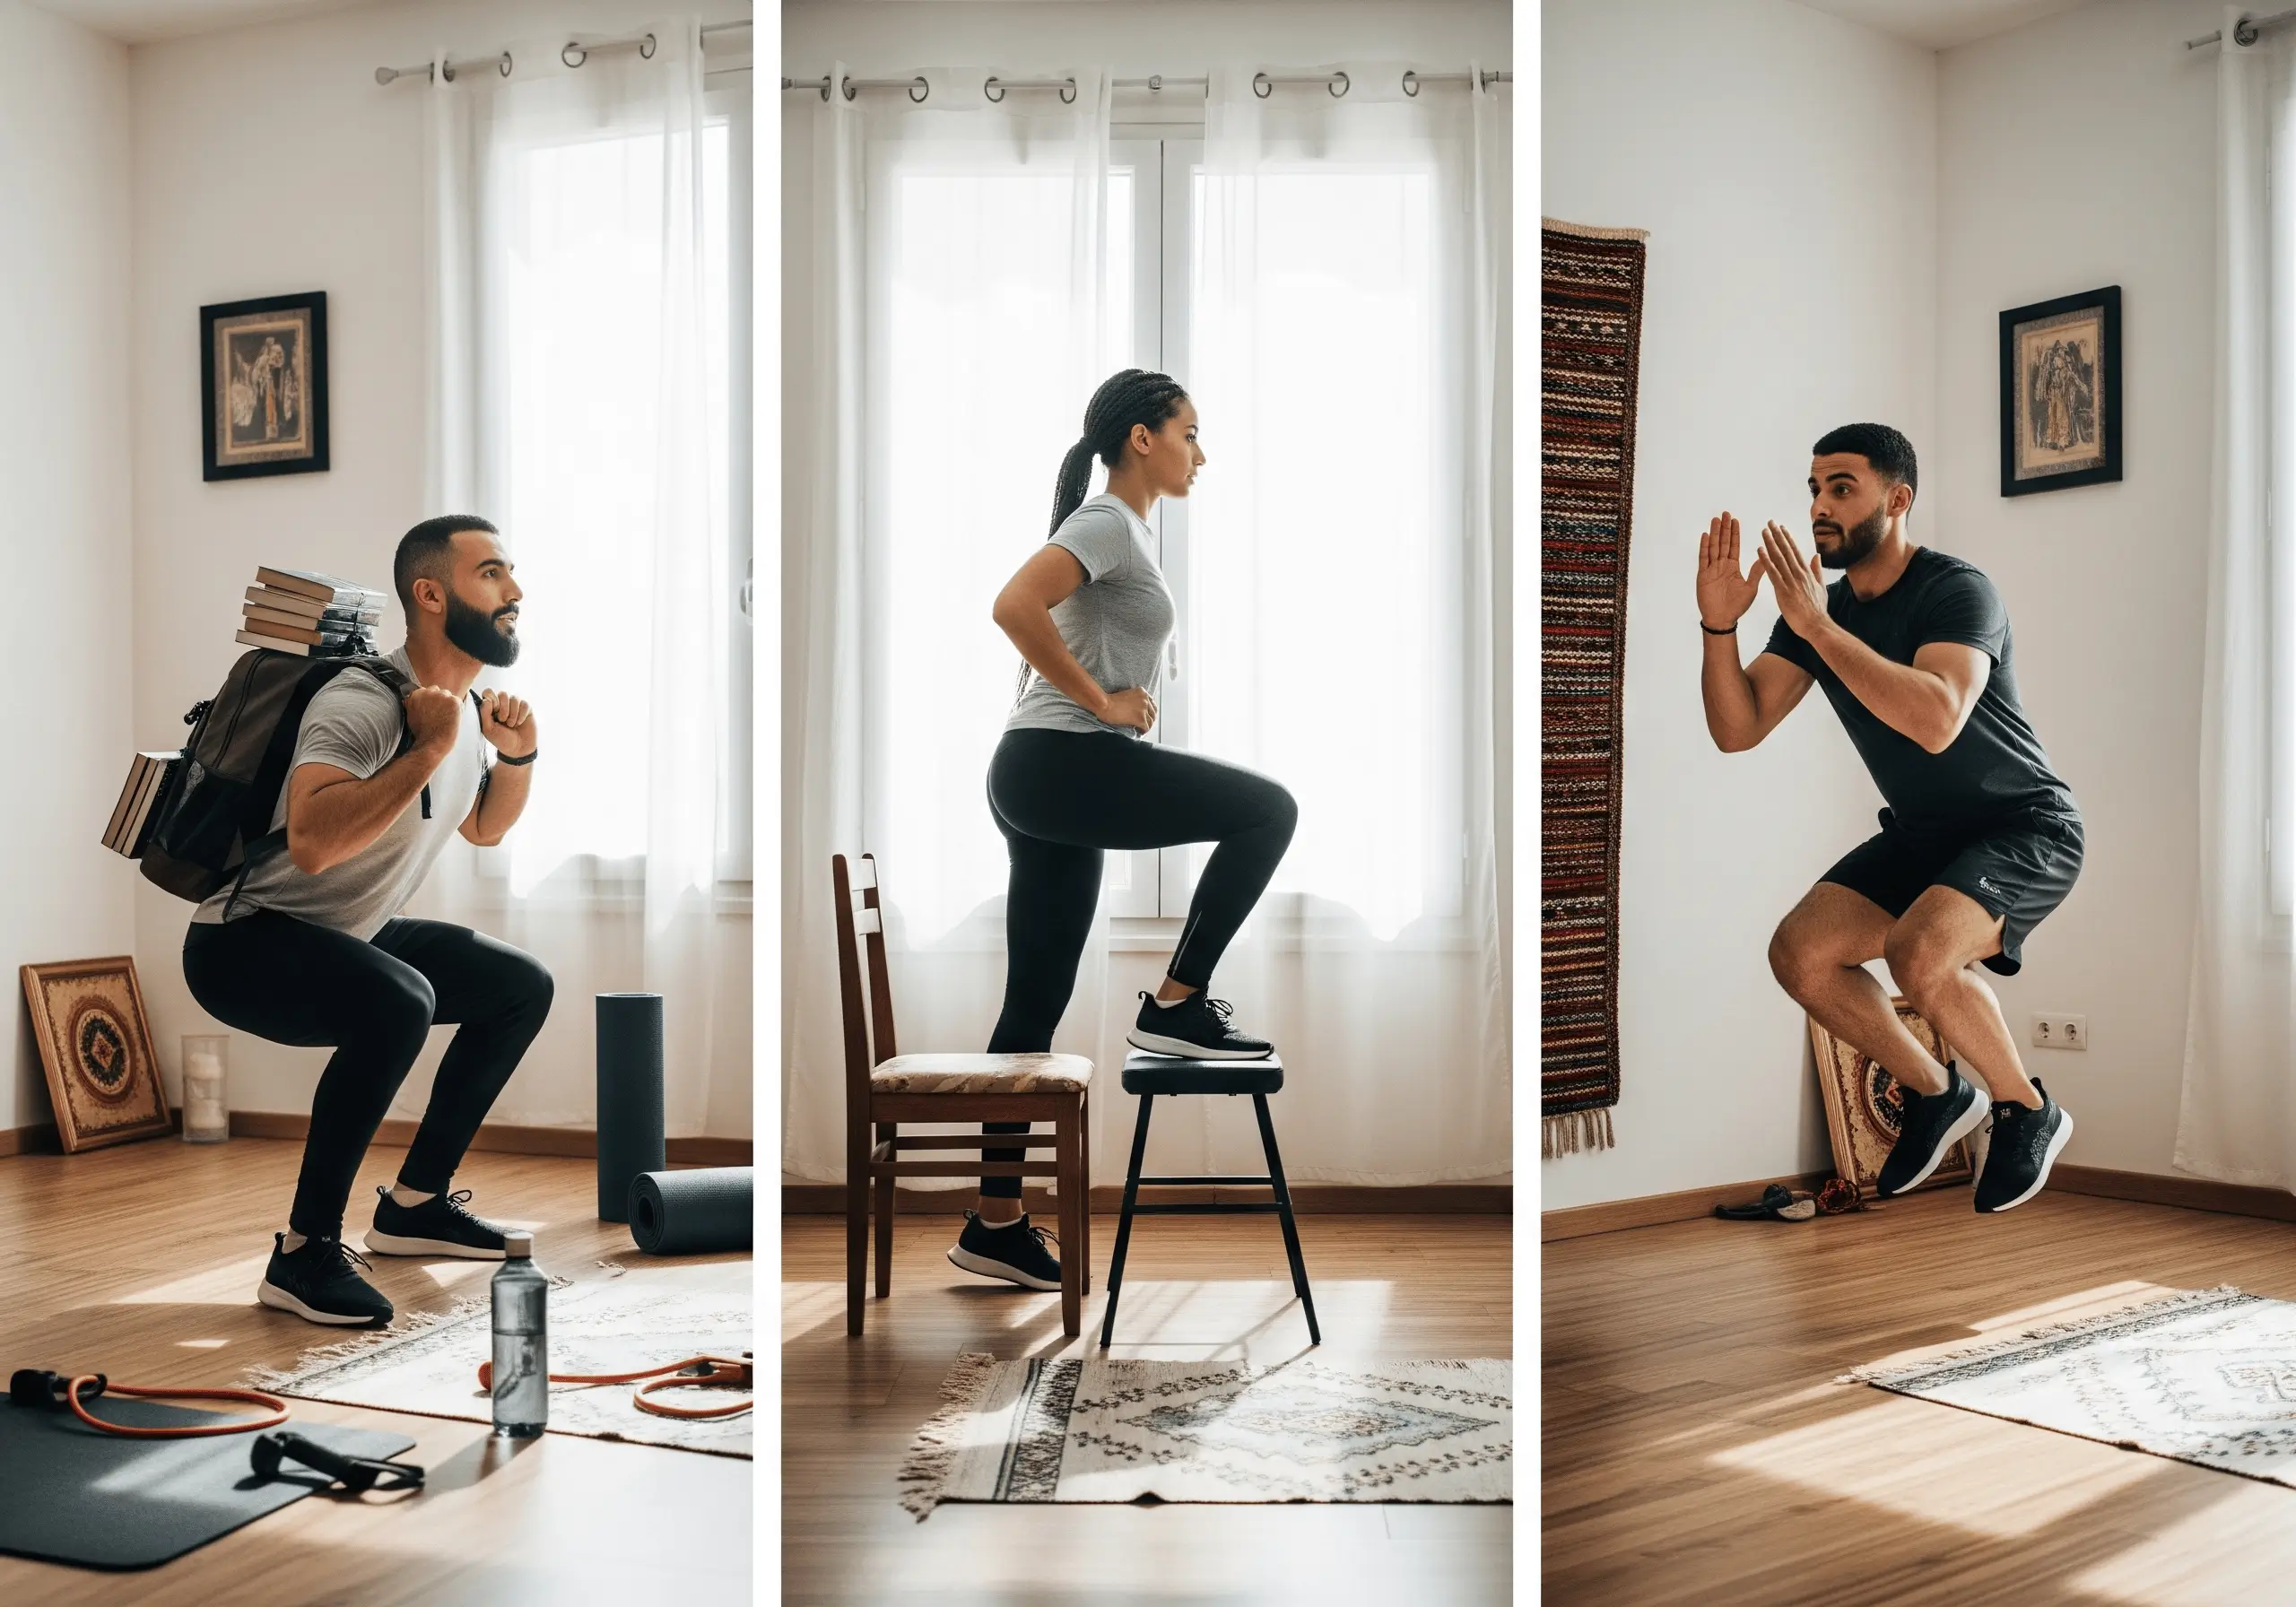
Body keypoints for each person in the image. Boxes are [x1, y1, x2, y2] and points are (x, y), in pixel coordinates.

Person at [947, 369, 1300, 1292]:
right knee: (1268, 810)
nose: (1200, 452)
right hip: (1062, 764)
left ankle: (994, 1224)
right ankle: (1178, 1004)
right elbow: (1011, 606)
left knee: (1033, 1003)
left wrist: (1101, 701)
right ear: (1142, 438)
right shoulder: (1106, 521)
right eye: (1189, 432)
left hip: (1040, 770)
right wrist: (1101, 699)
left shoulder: (1126, 530)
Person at [1696, 423, 2083, 1213]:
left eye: (1842, 487)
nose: (1819, 508)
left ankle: (2029, 1110)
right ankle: (1938, 1097)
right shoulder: (1818, 612)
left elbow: (1938, 718)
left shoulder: (1955, 590)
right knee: (1800, 954)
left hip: (2025, 826)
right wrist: (1718, 626)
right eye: (1813, 489)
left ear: (1898, 500)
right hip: (1924, 833)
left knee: (1919, 951)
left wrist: (1818, 628)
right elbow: (1737, 730)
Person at [183, 516, 551, 1326]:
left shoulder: (457, 708)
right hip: (243, 941)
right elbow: (312, 845)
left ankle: (415, 1206)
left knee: (519, 986)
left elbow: (483, 827)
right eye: (492, 574)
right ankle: (303, 1252)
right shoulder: (363, 701)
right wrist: (424, 749)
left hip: (343, 934)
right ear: (431, 594)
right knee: (400, 1000)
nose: (515, 592)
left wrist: (514, 754)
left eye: (511, 574)